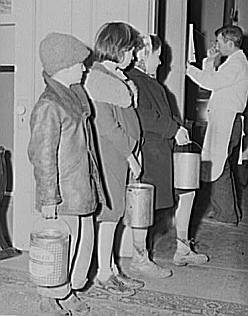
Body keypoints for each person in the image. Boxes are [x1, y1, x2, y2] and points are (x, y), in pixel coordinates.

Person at [28, 32, 105, 315]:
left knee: (84, 244)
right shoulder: (49, 105)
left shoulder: (73, 96)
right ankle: (49, 297)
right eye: (79, 63)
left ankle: (68, 288)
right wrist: (49, 198)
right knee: (60, 249)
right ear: (63, 66)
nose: (84, 68)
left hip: (81, 187)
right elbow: (42, 157)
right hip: (63, 194)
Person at [126, 33, 208, 270]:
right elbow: (143, 116)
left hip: (166, 151)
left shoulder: (151, 82)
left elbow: (164, 114)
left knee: (188, 190)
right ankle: (139, 258)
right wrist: (173, 129)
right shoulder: (133, 81)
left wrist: (179, 129)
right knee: (143, 204)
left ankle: (183, 248)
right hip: (150, 154)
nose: (161, 62)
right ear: (143, 55)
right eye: (158, 57)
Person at [84, 22, 145, 297]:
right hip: (111, 156)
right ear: (117, 49)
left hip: (117, 157)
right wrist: (130, 155)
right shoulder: (100, 79)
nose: (133, 56)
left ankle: (111, 267)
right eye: (130, 50)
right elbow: (108, 127)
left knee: (115, 214)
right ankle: (104, 274)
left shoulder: (113, 76)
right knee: (110, 215)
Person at [186, 25, 248, 225]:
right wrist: (210, 60)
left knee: (219, 166)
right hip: (224, 120)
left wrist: (186, 68)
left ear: (230, 43)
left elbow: (211, 83)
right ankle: (224, 211)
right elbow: (212, 79)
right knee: (218, 165)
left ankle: (227, 215)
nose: (216, 45)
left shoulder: (237, 63)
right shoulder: (233, 62)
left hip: (228, 121)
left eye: (219, 42)